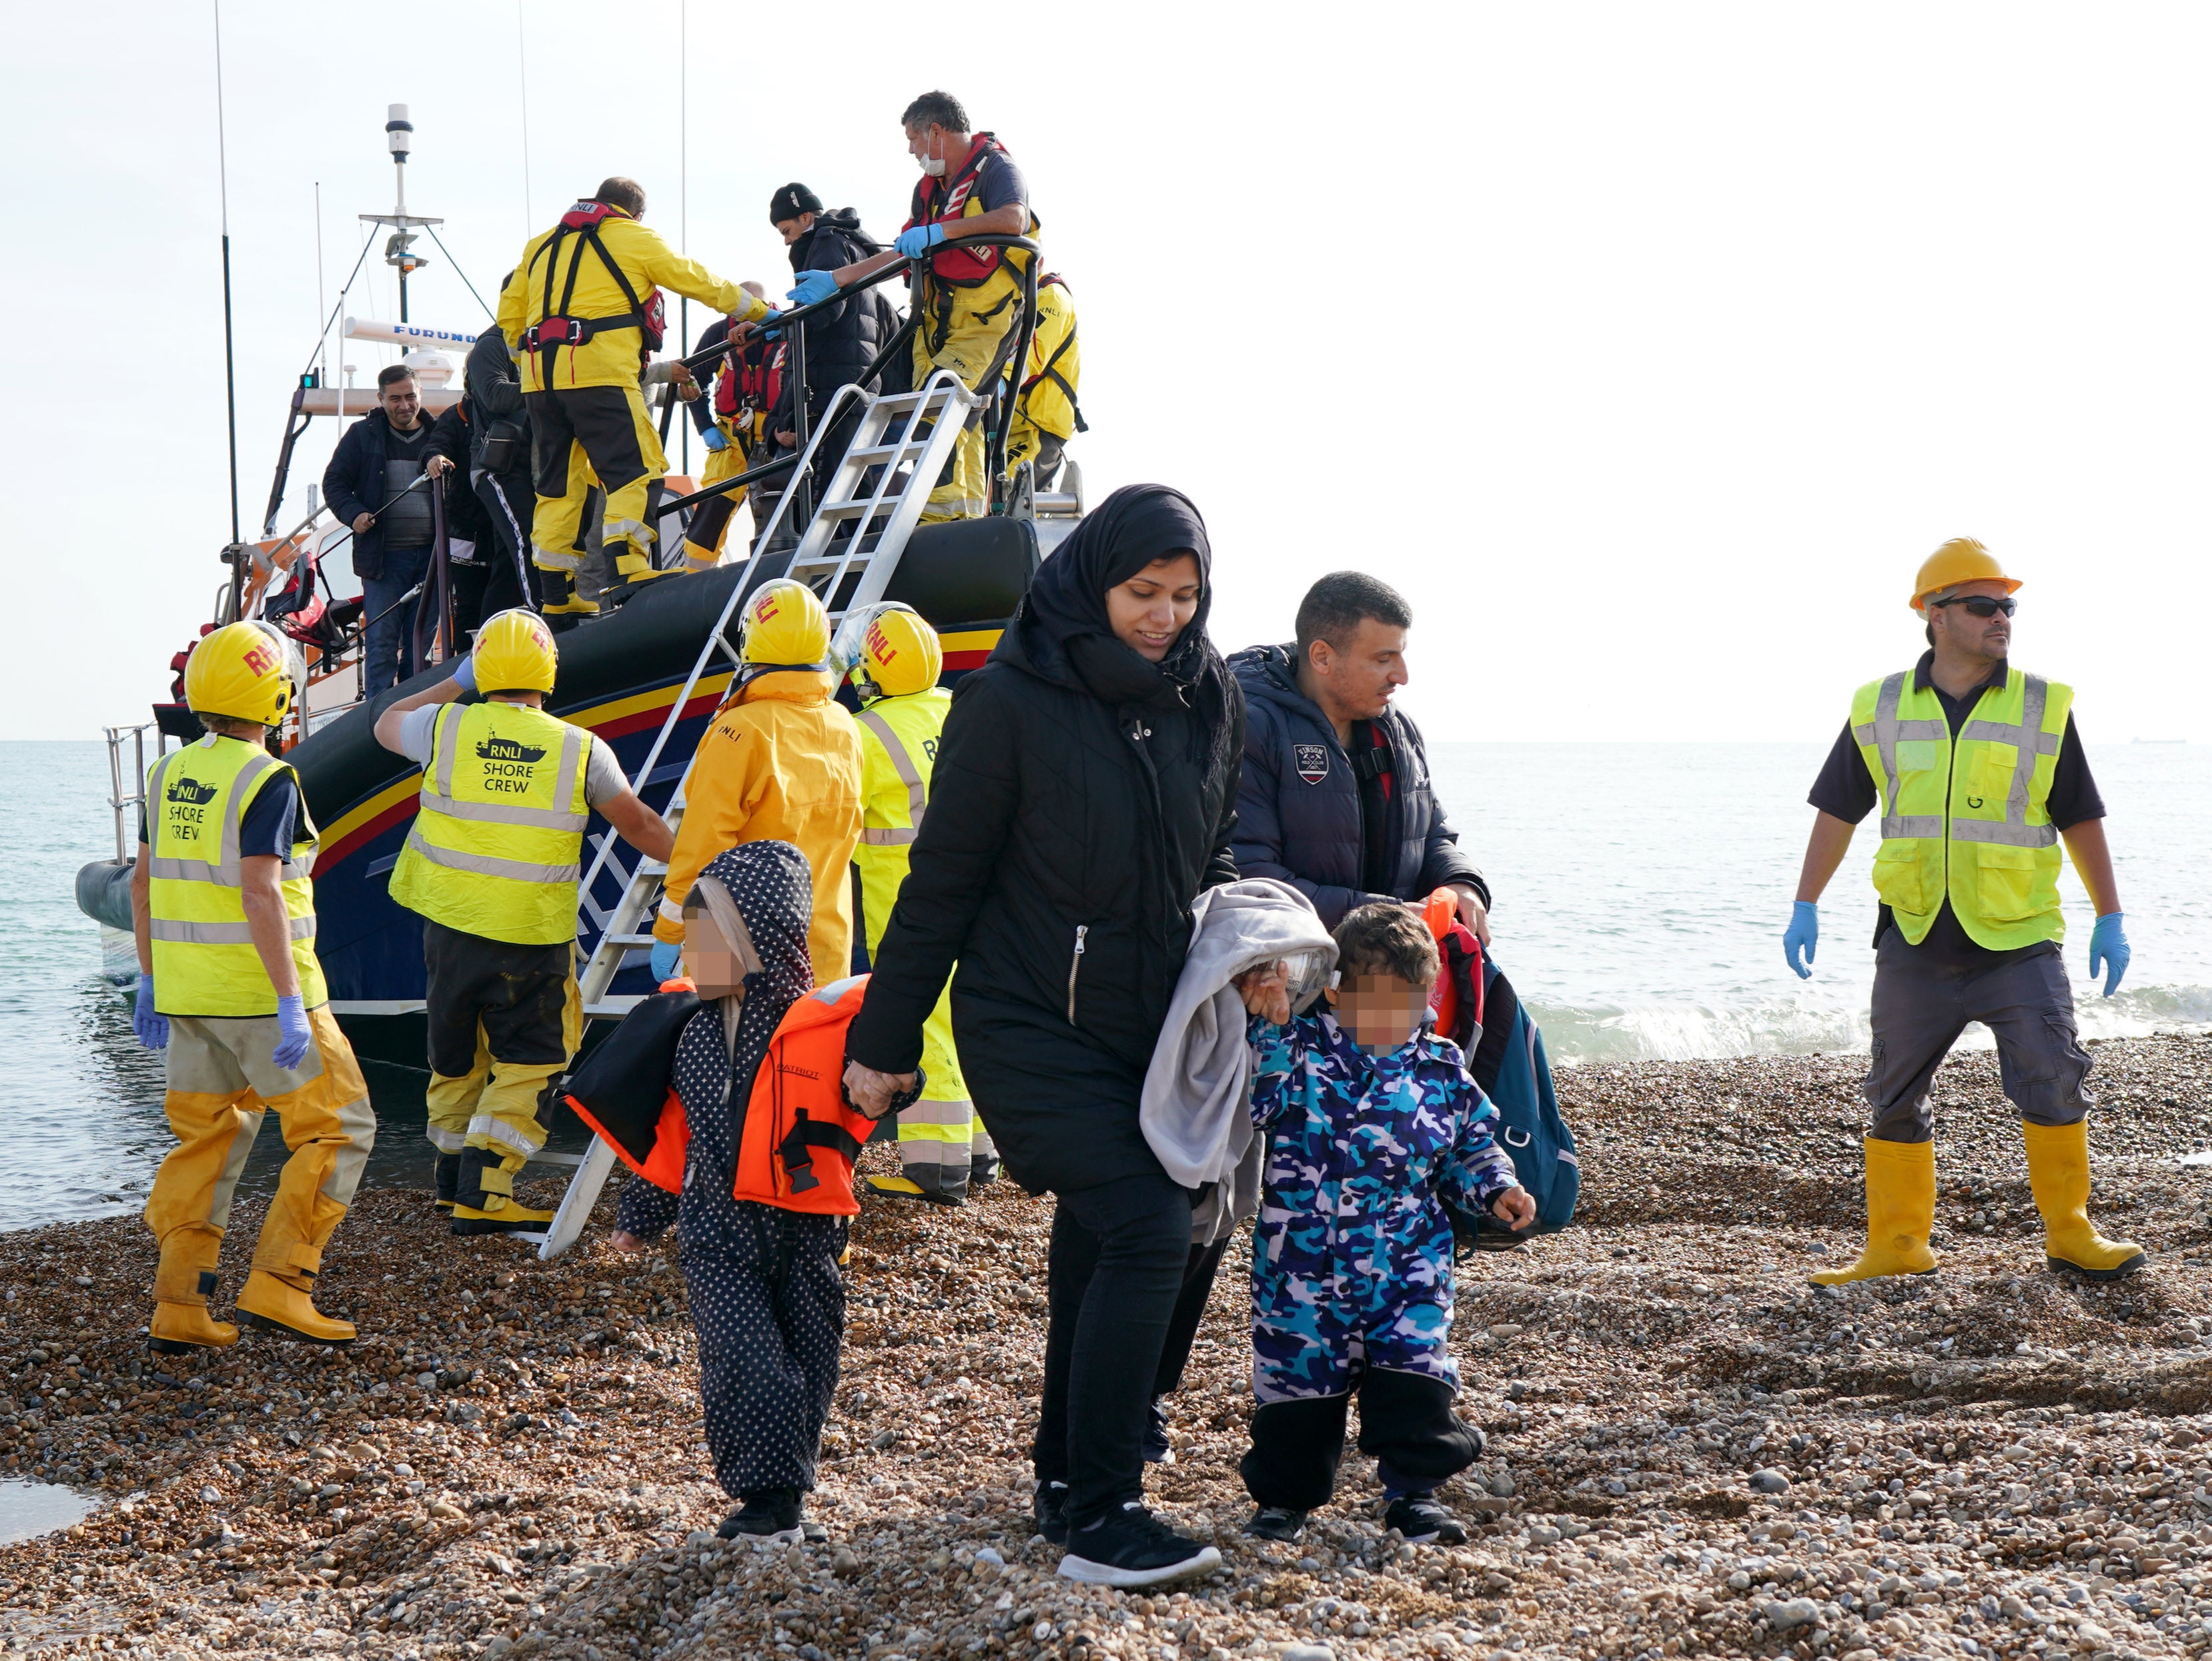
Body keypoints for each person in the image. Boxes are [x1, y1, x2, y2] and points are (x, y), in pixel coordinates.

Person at [843, 484, 1243, 1589]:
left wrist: (1250, 952)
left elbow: (1212, 854)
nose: (1164, 615)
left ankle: (1064, 1476)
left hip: (1150, 1027)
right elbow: (940, 889)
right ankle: (1106, 1517)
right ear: (1092, 581)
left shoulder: (1207, 693)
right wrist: (883, 1045)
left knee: (1104, 1231)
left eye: (1184, 594)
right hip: (1026, 1022)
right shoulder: (1008, 702)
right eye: (1141, 593)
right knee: (1150, 1224)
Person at [1788, 538, 2142, 1286]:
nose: (2000, 619)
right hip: (1914, 938)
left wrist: (2110, 915)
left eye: (2007, 606)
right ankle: (1897, 1243)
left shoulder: (2041, 705)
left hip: (2017, 940)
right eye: (1982, 606)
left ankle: (2072, 1233)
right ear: (1932, 615)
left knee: (2052, 1078)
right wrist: (1805, 902)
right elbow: (1837, 810)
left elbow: (2080, 814)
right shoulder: (1878, 706)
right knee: (1891, 1095)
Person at [1236, 904, 1533, 1546]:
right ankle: (1284, 1501)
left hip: (1409, 1265)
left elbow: (1469, 1147)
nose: (1394, 1023)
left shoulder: (1440, 1068)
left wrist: (1498, 1187)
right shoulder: (1300, 1051)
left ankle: (1414, 1494)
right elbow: (1255, 1099)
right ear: (1337, 991)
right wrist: (1266, 1017)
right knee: (1296, 1387)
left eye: (1409, 1006)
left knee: (1414, 1374)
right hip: (1300, 1270)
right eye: (1377, 1005)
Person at [374, 609, 676, 1233]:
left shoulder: (445, 727)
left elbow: (384, 724)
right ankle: (484, 1196)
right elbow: (640, 825)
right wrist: (706, 861)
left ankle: (452, 1180)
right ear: (549, 671)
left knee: (458, 1054)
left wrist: (457, 682)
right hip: (531, 937)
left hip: (450, 930)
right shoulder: (581, 749)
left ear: (483, 665)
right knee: (533, 1056)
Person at [129, 621, 376, 1349]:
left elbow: (143, 887)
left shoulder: (166, 775)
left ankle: (180, 1305)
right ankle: (281, 1285)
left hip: (186, 996)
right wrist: (291, 1000)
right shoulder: (268, 778)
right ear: (274, 697)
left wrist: (151, 980)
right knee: (340, 1128)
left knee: (205, 1140)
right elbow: (261, 892)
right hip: (265, 996)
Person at [607, 842, 860, 1542]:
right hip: (716, 1231)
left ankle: (789, 1494)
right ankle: (765, 1501)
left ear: (759, 942)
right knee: (741, 1359)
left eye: (708, 940)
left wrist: (895, 1080)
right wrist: (642, 1213)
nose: (693, 957)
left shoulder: (822, 1029)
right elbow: (674, 1136)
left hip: (808, 1227)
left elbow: (882, 1073)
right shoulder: (690, 1035)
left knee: (809, 1358)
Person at [496, 176, 768, 617]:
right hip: (602, 376)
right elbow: (694, 279)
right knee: (638, 470)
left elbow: (510, 315)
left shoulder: (540, 246)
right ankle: (627, 566)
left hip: (540, 386)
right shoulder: (633, 236)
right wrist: (759, 311)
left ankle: (558, 598)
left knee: (558, 488)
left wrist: (530, 363)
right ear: (636, 213)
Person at [785, 91, 1040, 522]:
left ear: (936, 132)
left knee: (940, 403)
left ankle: (939, 518)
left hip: (985, 319)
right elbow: (905, 250)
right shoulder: (928, 193)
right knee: (962, 421)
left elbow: (1014, 219)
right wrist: (836, 280)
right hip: (933, 322)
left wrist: (941, 232)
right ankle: (963, 519)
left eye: (914, 139)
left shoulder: (996, 168)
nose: (912, 150)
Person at [833, 601, 995, 1205]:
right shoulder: (959, 708)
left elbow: (842, 823)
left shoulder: (864, 733)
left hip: (907, 906)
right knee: (969, 1022)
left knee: (926, 1030)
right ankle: (981, 1154)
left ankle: (936, 1170)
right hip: (980, 901)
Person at [650, 579, 865, 989]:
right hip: (824, 951)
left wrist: (671, 931)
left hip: (739, 953)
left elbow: (703, 844)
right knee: (808, 1052)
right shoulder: (844, 725)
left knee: (728, 1051)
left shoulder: (739, 730)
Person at [321, 364, 460, 693]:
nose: (404, 405)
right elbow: (334, 483)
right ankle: (377, 718)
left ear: (420, 394)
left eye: (410, 396)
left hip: (432, 560)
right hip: (383, 561)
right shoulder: (360, 435)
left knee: (422, 647)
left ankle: (412, 715)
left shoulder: (440, 436)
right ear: (380, 398)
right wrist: (354, 514)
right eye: (395, 398)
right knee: (381, 646)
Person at [673, 282, 772, 573]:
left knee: (774, 507)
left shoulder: (785, 328)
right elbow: (691, 379)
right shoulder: (717, 334)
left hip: (775, 436)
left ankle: (771, 574)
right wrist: (704, 427)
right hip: (730, 437)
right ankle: (696, 578)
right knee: (712, 507)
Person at [458, 285, 540, 618]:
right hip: (499, 468)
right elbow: (495, 395)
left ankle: (489, 633)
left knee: (510, 557)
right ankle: (546, 612)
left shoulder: (537, 345)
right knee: (527, 539)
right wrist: (550, 381)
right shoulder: (491, 346)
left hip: (529, 465)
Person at [1006, 273, 1083, 488]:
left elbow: (1031, 356)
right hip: (1012, 422)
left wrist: (997, 383)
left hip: (1037, 425)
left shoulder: (1052, 296)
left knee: (1008, 497)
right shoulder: (1018, 300)